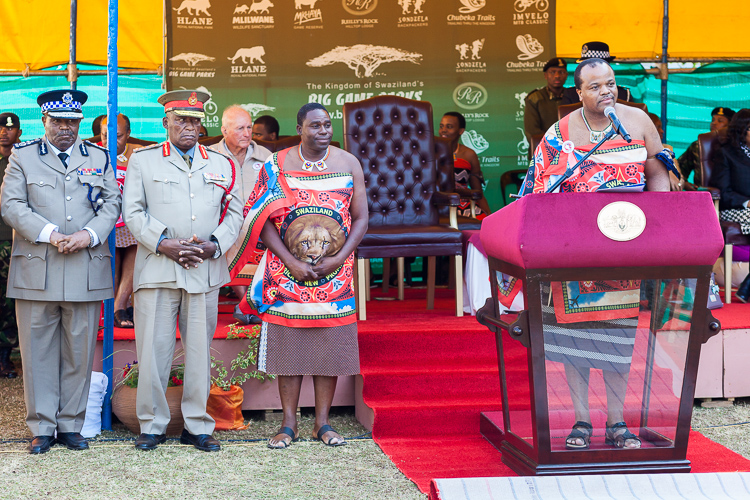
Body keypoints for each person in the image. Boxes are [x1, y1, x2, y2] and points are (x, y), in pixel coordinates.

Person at [519, 58, 672, 450]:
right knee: (576, 339)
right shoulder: (560, 133)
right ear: (580, 93)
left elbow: (657, 172)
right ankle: (582, 421)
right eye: (597, 86)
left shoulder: (638, 122)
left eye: (612, 83)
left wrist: (657, 221)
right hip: (576, 254)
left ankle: (618, 423)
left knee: (618, 339)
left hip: (624, 251)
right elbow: (539, 192)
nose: (607, 91)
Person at [228, 103, 367, 448]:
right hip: (286, 273)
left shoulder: (349, 163)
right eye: (315, 126)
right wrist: (290, 260)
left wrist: (340, 258)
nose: (324, 131)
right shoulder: (276, 163)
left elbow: (361, 217)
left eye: (328, 125)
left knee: (329, 347)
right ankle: (288, 424)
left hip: (335, 275)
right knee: (289, 348)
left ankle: (323, 423)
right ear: (300, 128)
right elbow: (259, 219)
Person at [0, 90, 120, 454]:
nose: (66, 128)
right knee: (36, 354)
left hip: (85, 268)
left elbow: (112, 202)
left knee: (79, 353)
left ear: (80, 123)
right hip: (37, 270)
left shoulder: (98, 157)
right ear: (44, 122)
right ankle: (42, 427)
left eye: (73, 122)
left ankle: (70, 425)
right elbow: (11, 204)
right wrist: (52, 235)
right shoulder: (22, 157)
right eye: (59, 122)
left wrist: (88, 235)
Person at [122, 89, 243, 452]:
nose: (188, 127)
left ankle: (197, 425)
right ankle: (153, 425)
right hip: (158, 267)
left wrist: (215, 244)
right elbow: (133, 212)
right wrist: (164, 244)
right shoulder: (142, 161)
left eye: (193, 120)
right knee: (154, 350)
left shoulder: (223, 163)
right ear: (166, 124)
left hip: (203, 269)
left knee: (199, 352)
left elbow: (236, 212)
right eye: (180, 120)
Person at [215, 106, 272, 323]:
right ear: (225, 130)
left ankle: (251, 302)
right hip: (222, 221)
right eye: (240, 128)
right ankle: (246, 303)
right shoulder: (210, 156)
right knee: (231, 232)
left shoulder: (266, 156)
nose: (247, 133)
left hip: (258, 222)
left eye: (249, 127)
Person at [101, 113, 139, 328]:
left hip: (131, 217)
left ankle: (119, 304)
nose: (110, 142)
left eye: (118, 136)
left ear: (128, 134)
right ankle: (115, 307)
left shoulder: (139, 154)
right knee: (110, 252)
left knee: (137, 240)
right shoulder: (92, 153)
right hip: (105, 220)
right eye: (105, 136)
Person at [710, 108, 750, 302]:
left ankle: (746, 286)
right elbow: (723, 193)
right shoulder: (726, 154)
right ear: (742, 130)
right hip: (734, 209)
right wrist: (747, 202)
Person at [0, 112, 22, 378]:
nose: (4, 132)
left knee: (9, 301)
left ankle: (5, 357)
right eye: (1, 128)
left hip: (12, 239)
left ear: (19, 132)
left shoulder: (22, 161)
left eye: (10, 128)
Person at [438, 111, 490, 217]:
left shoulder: (469, 154)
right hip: (437, 204)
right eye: (441, 126)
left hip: (463, 203)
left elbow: (478, 192)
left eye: (449, 127)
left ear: (461, 131)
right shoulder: (429, 151)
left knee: (482, 221)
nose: (443, 130)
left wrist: (489, 216)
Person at [679, 107, 735, 190]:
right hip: (702, 195)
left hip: (731, 196)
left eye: (720, 121)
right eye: (713, 120)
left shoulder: (736, 146)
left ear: (730, 125)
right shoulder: (698, 145)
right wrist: (684, 183)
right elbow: (679, 168)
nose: (714, 123)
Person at [561, 42, 633, 105]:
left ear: (607, 66)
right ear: (580, 93)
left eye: (593, 66)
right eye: (584, 66)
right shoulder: (571, 94)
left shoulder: (624, 94)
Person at [524, 58, 568, 142]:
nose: (557, 76)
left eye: (561, 72)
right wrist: (556, 143)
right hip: (542, 150)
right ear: (545, 75)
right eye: (552, 72)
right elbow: (532, 131)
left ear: (566, 75)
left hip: (569, 150)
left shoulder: (573, 97)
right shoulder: (535, 98)